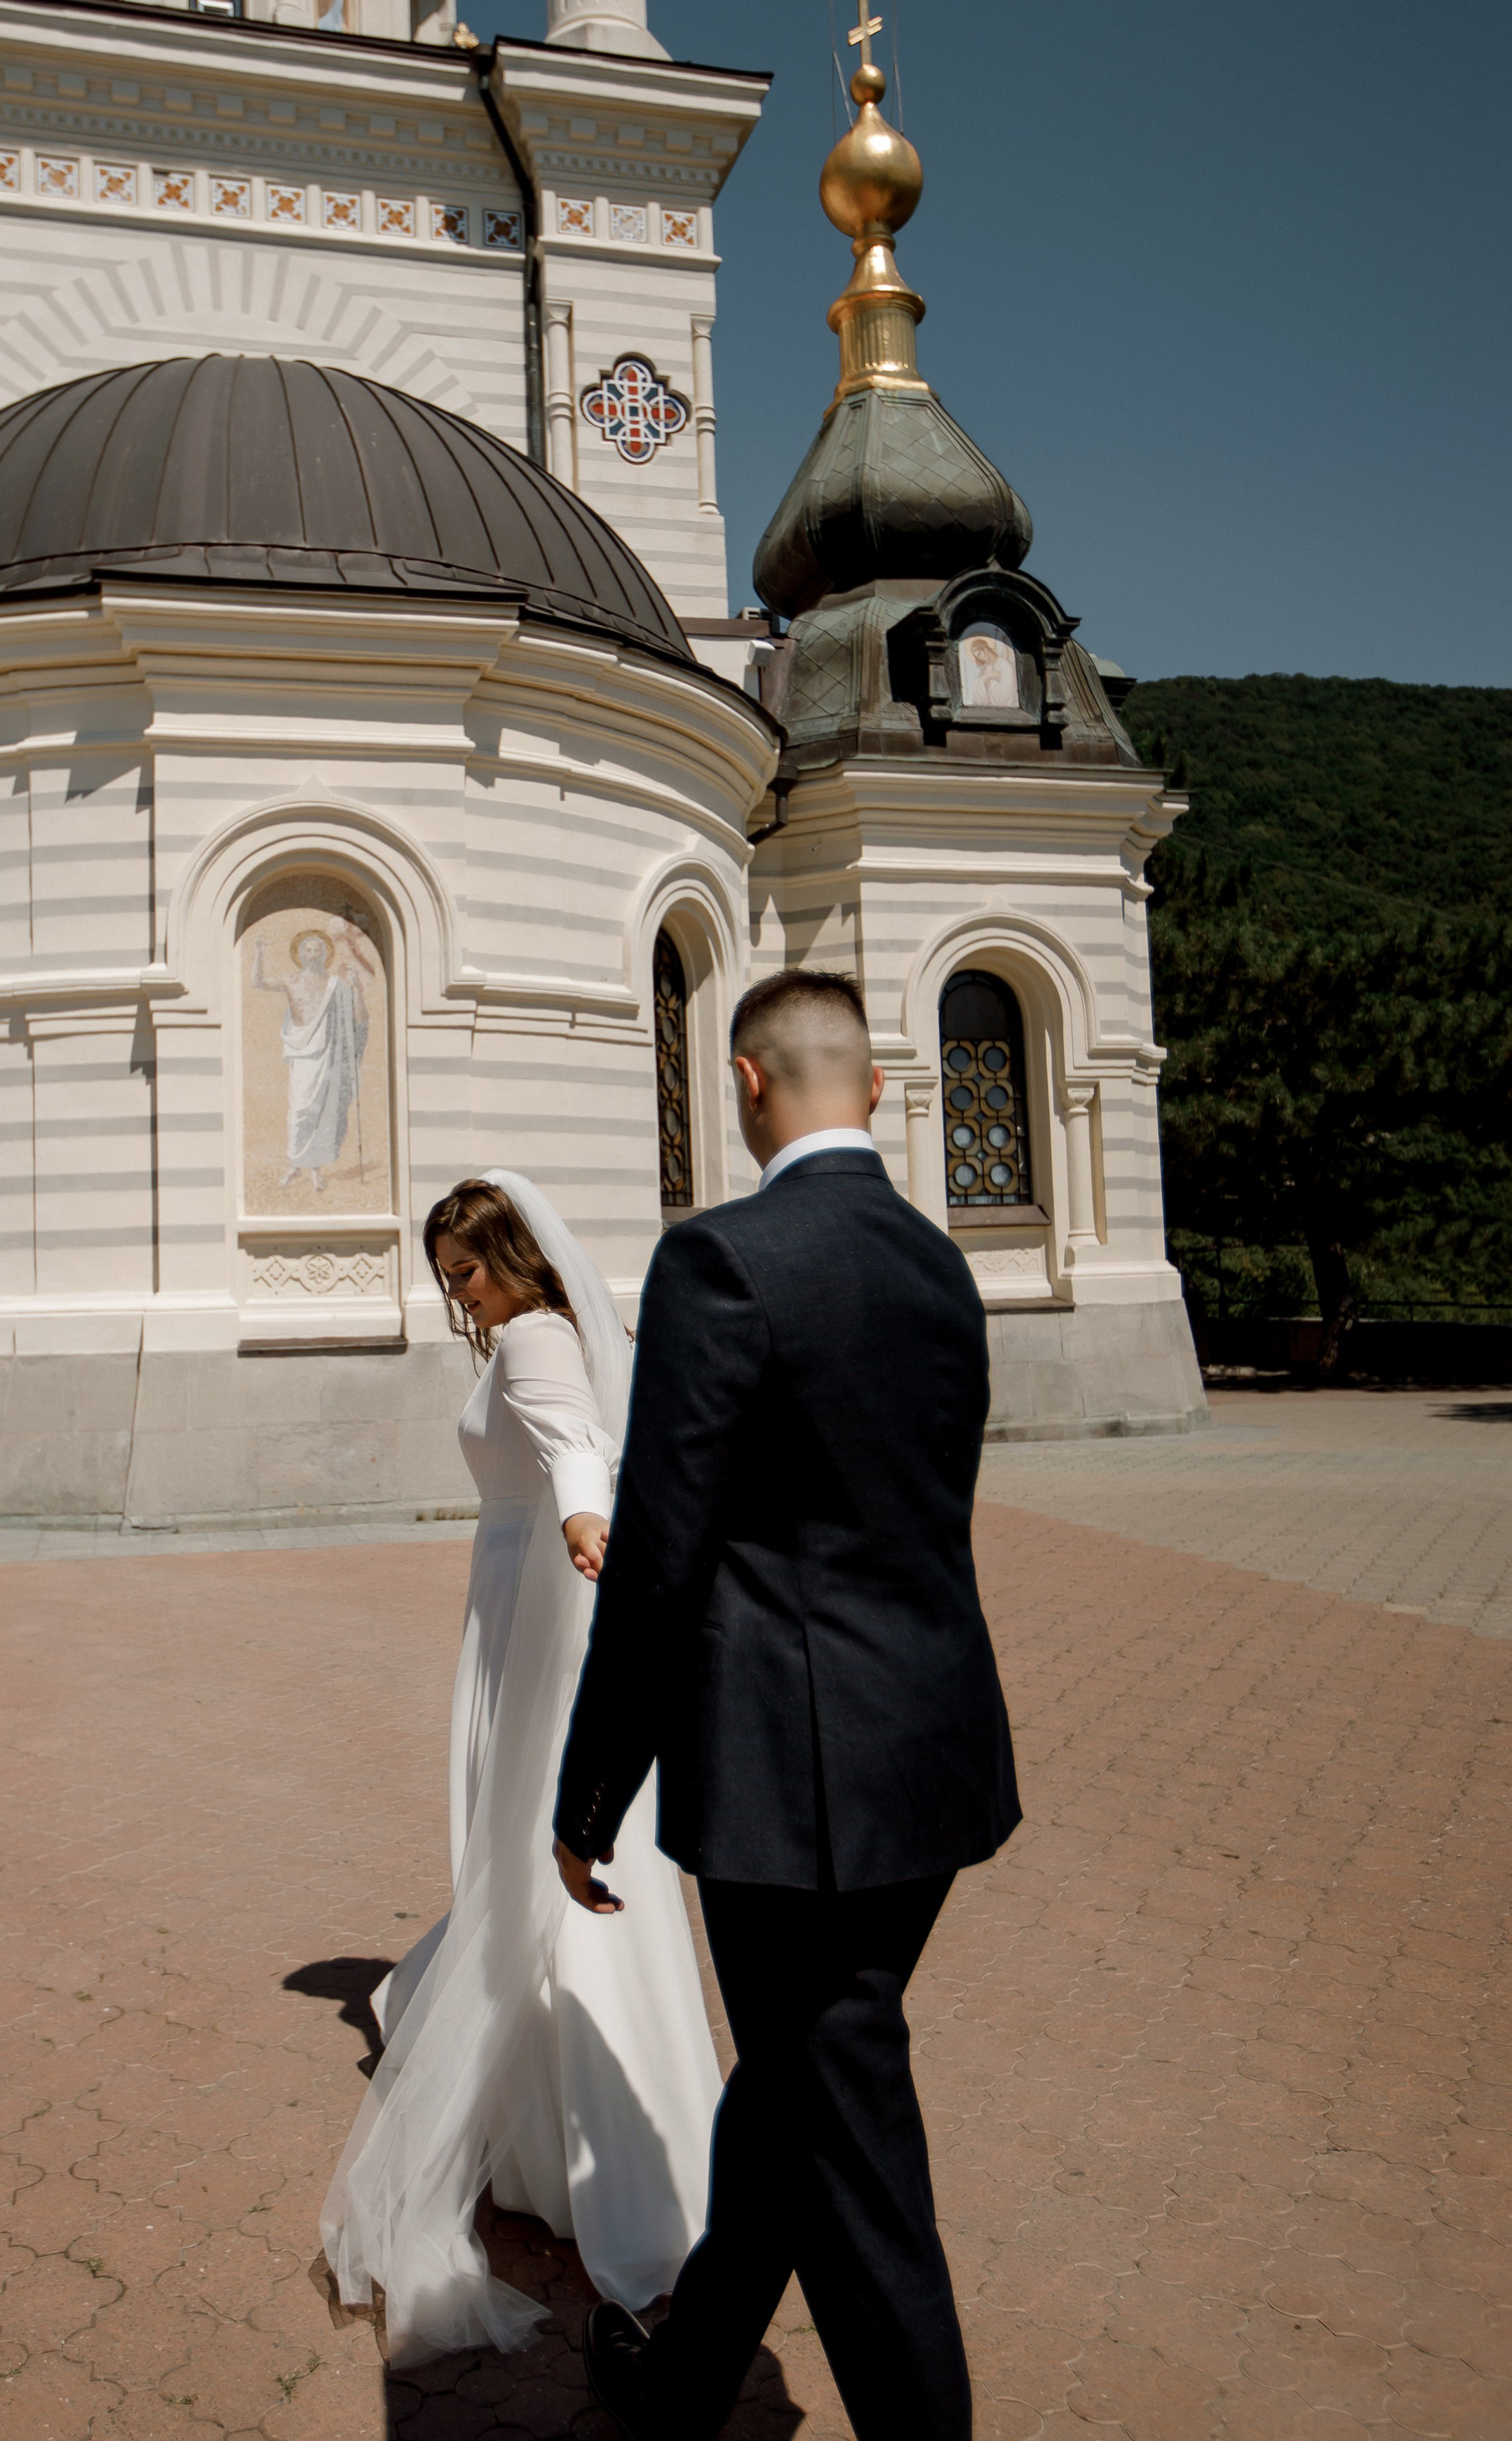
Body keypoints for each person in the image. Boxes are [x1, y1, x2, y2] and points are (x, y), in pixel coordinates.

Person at [553, 970, 1022, 2441]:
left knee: (850, 2145)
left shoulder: (721, 1260)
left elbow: (659, 1558)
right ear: (876, 1089)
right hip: (930, 1761)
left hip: (785, 1786)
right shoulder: (940, 1264)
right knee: (795, 2092)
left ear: (745, 1087)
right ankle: (684, 2374)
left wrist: (586, 1800)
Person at [320, 1174, 722, 2367]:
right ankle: (538, 2102)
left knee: (529, 1849)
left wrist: (584, 1526)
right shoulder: (519, 1333)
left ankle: (602, 2149)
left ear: (514, 1258)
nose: (459, 1290)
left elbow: (577, 1448)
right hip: (511, 1608)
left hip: (539, 1611)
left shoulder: (537, 1335)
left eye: (469, 1267)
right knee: (507, 1851)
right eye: (446, 1272)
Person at [250, 928, 367, 1192]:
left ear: (324, 955)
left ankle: (315, 1169)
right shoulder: (291, 980)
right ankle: (295, 1164)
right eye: (308, 950)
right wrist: (258, 952)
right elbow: (258, 983)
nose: (312, 955)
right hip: (302, 1052)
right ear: (300, 955)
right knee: (300, 1111)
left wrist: (357, 986)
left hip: (327, 1053)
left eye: (317, 951)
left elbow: (357, 1018)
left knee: (322, 1112)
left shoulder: (335, 985)